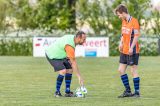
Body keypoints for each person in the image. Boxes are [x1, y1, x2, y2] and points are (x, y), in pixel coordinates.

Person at [45, 31, 86, 97]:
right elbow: (73, 62)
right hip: (52, 55)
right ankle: (57, 92)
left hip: (61, 54)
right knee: (63, 71)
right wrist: (79, 77)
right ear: (78, 38)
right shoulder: (69, 45)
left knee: (70, 69)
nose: (85, 41)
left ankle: (67, 92)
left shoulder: (73, 38)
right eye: (84, 39)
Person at [114, 4, 140, 98]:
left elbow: (136, 36)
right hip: (124, 50)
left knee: (133, 70)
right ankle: (128, 91)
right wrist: (120, 43)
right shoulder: (123, 21)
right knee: (120, 70)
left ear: (123, 12)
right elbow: (123, 33)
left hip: (132, 50)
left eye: (119, 15)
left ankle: (137, 93)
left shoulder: (134, 21)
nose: (119, 16)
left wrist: (131, 47)